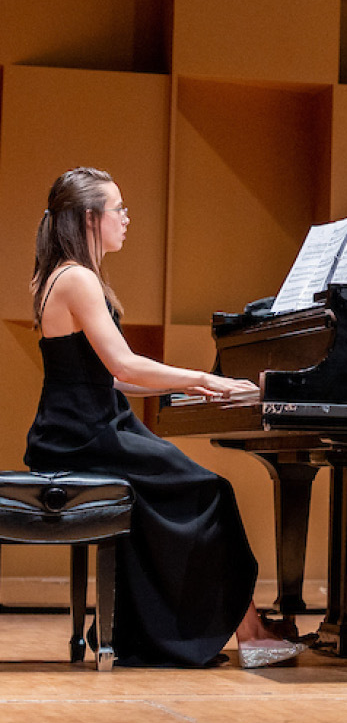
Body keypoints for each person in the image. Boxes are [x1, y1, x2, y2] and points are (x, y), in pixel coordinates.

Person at [25, 166, 306, 669]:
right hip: (85, 436)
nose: (126, 218)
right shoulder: (77, 279)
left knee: (196, 491)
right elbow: (124, 364)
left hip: (87, 427)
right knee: (210, 492)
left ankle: (219, 628)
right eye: (119, 209)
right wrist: (205, 380)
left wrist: (192, 388)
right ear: (91, 218)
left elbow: (109, 377)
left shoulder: (65, 275)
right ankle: (249, 633)